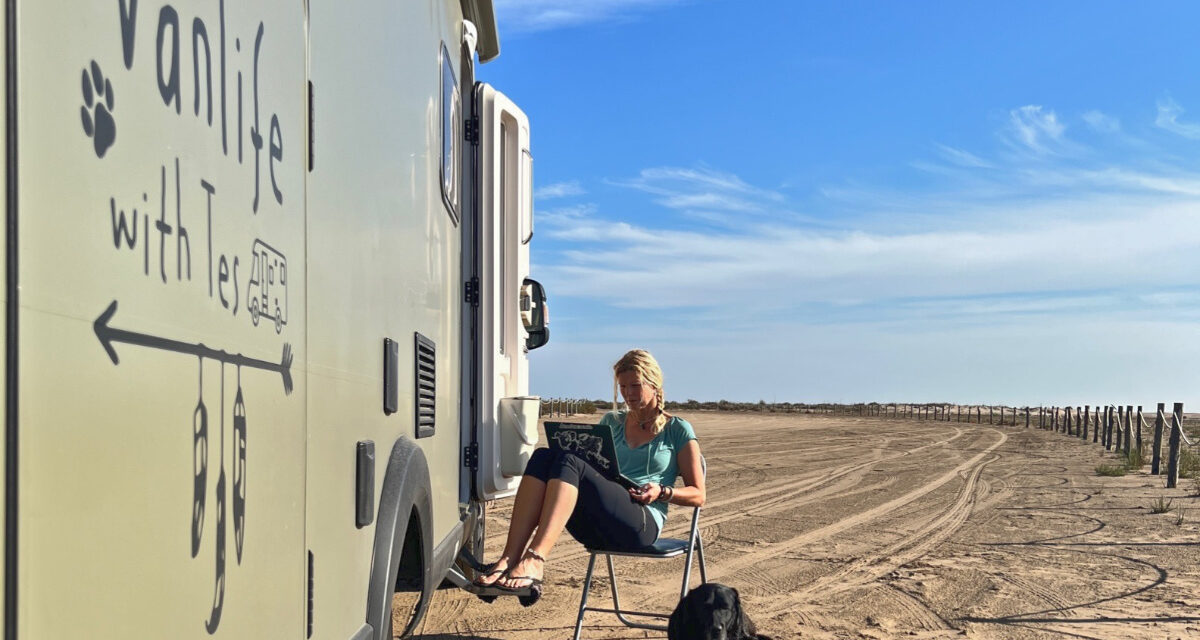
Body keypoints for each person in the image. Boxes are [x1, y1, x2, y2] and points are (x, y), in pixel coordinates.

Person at [474, 349, 706, 602]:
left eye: (635, 386)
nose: (628, 394)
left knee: (569, 461)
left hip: (640, 523)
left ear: (655, 385)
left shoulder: (677, 429)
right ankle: (509, 559)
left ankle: (536, 559)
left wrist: (661, 491)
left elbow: (698, 494)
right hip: (596, 521)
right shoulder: (612, 421)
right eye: (623, 386)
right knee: (542, 456)